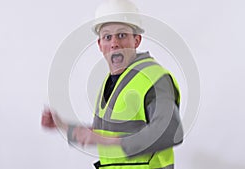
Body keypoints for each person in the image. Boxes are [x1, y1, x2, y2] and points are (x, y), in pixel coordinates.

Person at [41, 0, 183, 168]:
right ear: (100, 45)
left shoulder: (154, 79)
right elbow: (109, 133)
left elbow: (170, 132)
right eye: (107, 37)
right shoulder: (111, 84)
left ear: (136, 40)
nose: (114, 43)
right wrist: (64, 126)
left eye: (122, 35)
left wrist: (108, 141)